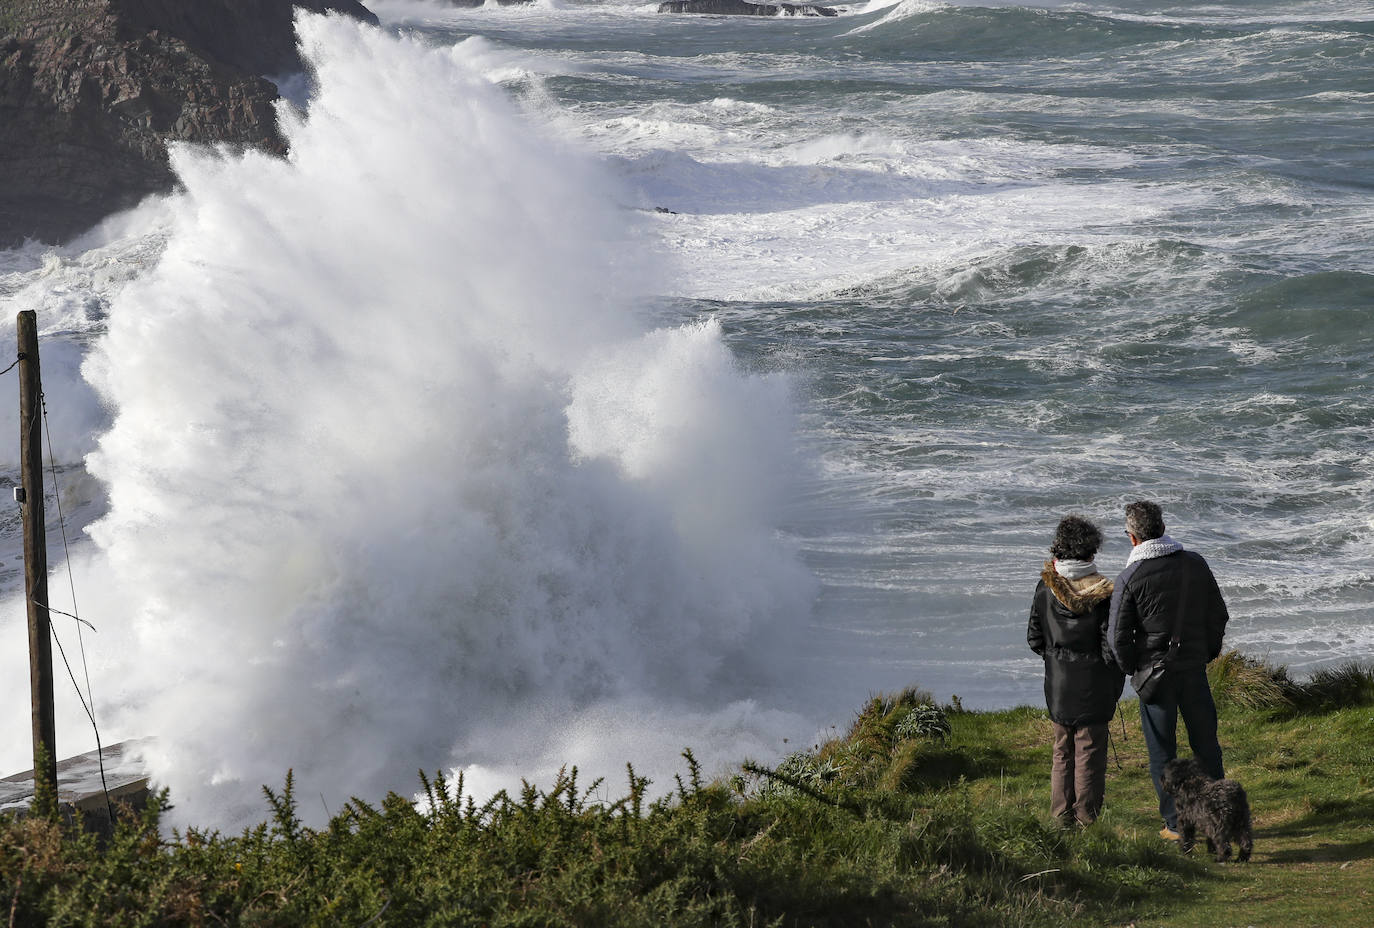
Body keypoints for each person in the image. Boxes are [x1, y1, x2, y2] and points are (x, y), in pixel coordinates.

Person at [1107, 500, 1229, 841]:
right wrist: (1207, 653)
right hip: (1193, 670)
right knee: (1206, 745)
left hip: (1155, 678)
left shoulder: (1130, 576)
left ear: (1132, 538)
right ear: (1162, 528)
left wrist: (1135, 670)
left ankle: (1176, 825)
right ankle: (1216, 817)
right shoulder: (1195, 563)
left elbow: (1117, 639)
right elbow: (1218, 614)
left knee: (1163, 751)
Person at [1027, 515, 1124, 827]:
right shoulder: (1105, 594)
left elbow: (1034, 639)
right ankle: (1086, 821)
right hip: (1094, 686)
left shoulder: (1045, 588)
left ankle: (1059, 818)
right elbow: (1111, 650)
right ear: (1091, 552)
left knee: (1061, 753)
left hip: (1058, 686)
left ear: (1059, 548)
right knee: (1089, 755)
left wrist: (1057, 660)